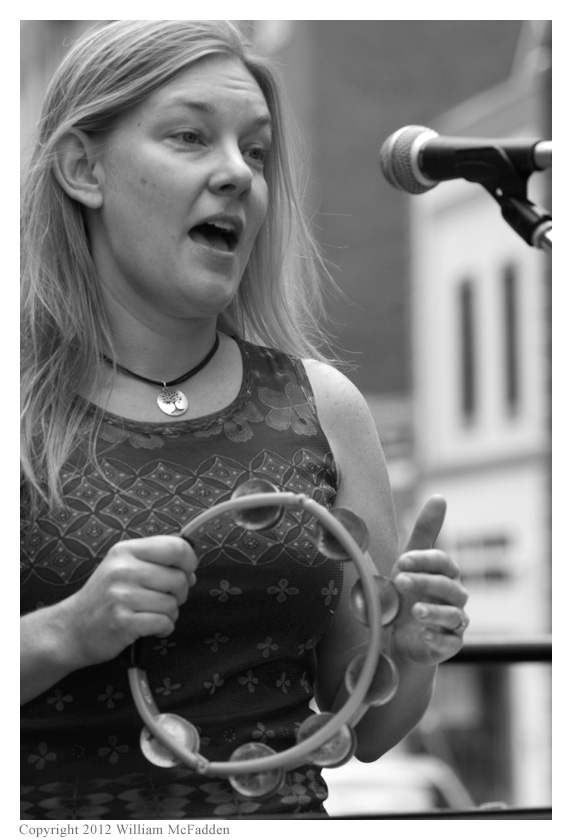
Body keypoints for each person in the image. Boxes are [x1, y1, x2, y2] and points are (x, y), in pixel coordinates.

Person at [20, 20, 469, 820]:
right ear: (83, 168)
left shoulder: (324, 405)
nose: (237, 172)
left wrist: (407, 652)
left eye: (256, 151)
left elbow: (366, 725)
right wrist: (64, 632)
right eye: (191, 137)